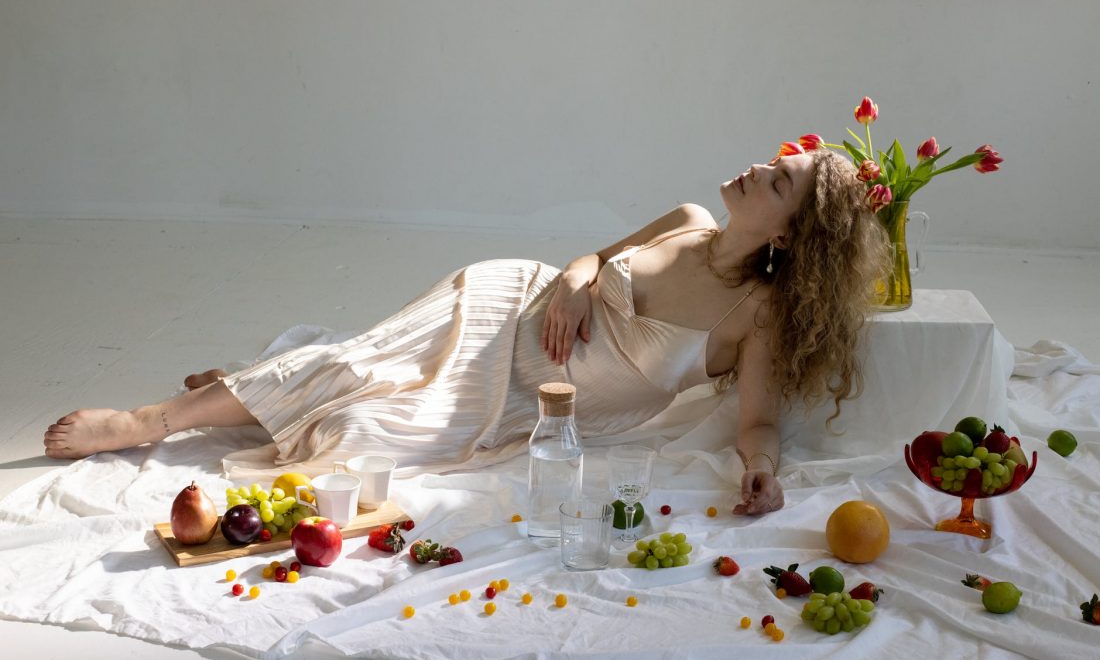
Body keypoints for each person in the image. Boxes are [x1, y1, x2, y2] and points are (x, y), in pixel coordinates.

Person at [42, 149, 888, 515]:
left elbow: (757, 422)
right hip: (502, 304)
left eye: (777, 180)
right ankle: (147, 421)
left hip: (529, 395)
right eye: (773, 159)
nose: (755, 167)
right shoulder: (688, 218)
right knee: (349, 363)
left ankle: (258, 383)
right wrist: (572, 278)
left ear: (788, 234)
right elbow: (592, 260)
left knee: (351, 435)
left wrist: (763, 473)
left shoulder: (759, 317)